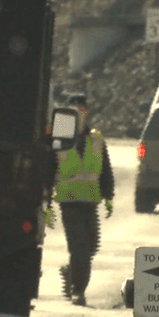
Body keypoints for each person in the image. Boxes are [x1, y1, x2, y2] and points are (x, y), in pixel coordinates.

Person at [46, 93, 115, 306]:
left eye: (82, 109)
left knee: (92, 246)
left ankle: (71, 272)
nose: (79, 113)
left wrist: (109, 196)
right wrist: (46, 203)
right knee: (80, 250)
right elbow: (48, 171)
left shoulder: (95, 138)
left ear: (87, 112)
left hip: (90, 202)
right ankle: (78, 290)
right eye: (74, 109)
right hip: (70, 203)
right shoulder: (59, 139)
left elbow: (105, 169)